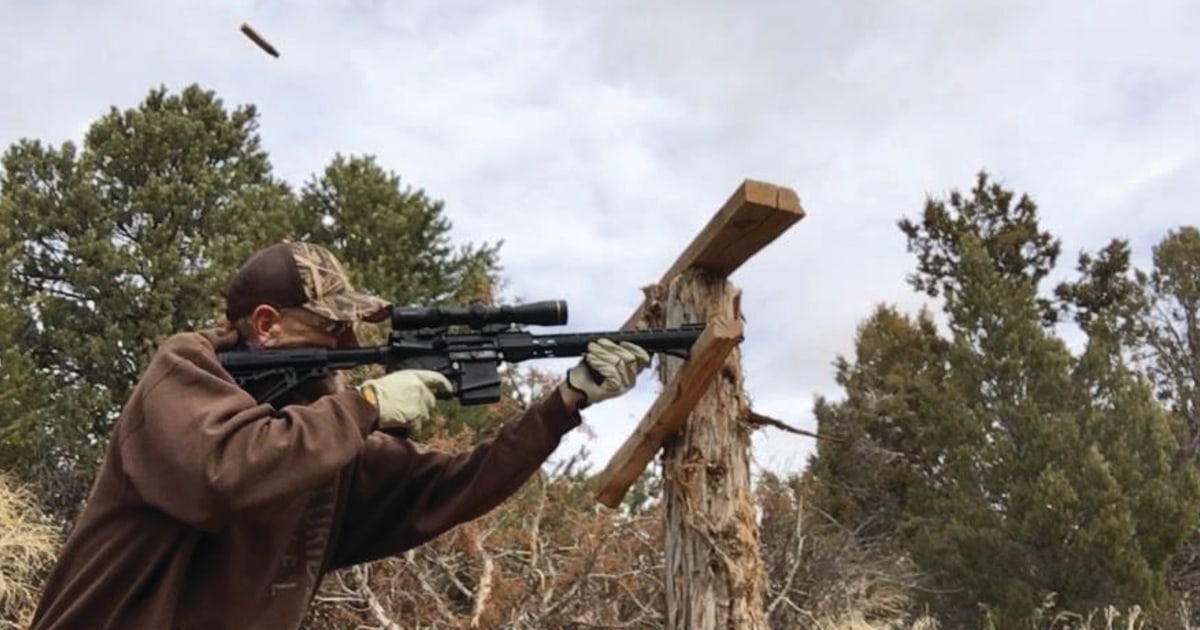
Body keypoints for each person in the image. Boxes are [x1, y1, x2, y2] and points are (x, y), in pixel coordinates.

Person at [29, 241, 652, 629]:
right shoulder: (182, 374)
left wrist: (565, 402)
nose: (350, 349)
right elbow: (225, 473)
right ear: (266, 326)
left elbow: (446, 489)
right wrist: (365, 405)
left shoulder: (321, 436)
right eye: (332, 328)